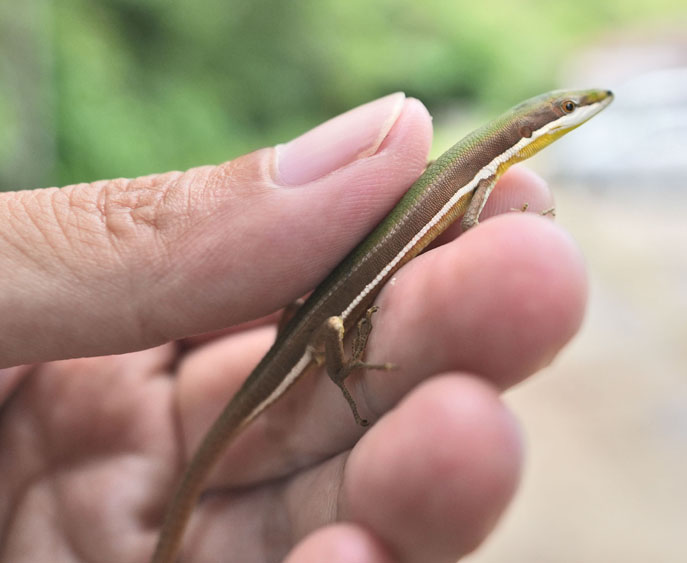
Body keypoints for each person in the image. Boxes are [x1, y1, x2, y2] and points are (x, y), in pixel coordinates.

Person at [0, 94, 587, 562]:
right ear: (526, 130)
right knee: (335, 332)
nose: (573, 115)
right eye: (564, 111)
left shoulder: (480, 171)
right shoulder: (478, 174)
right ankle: (340, 367)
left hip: (304, 324)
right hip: (309, 338)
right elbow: (474, 218)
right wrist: (343, 360)